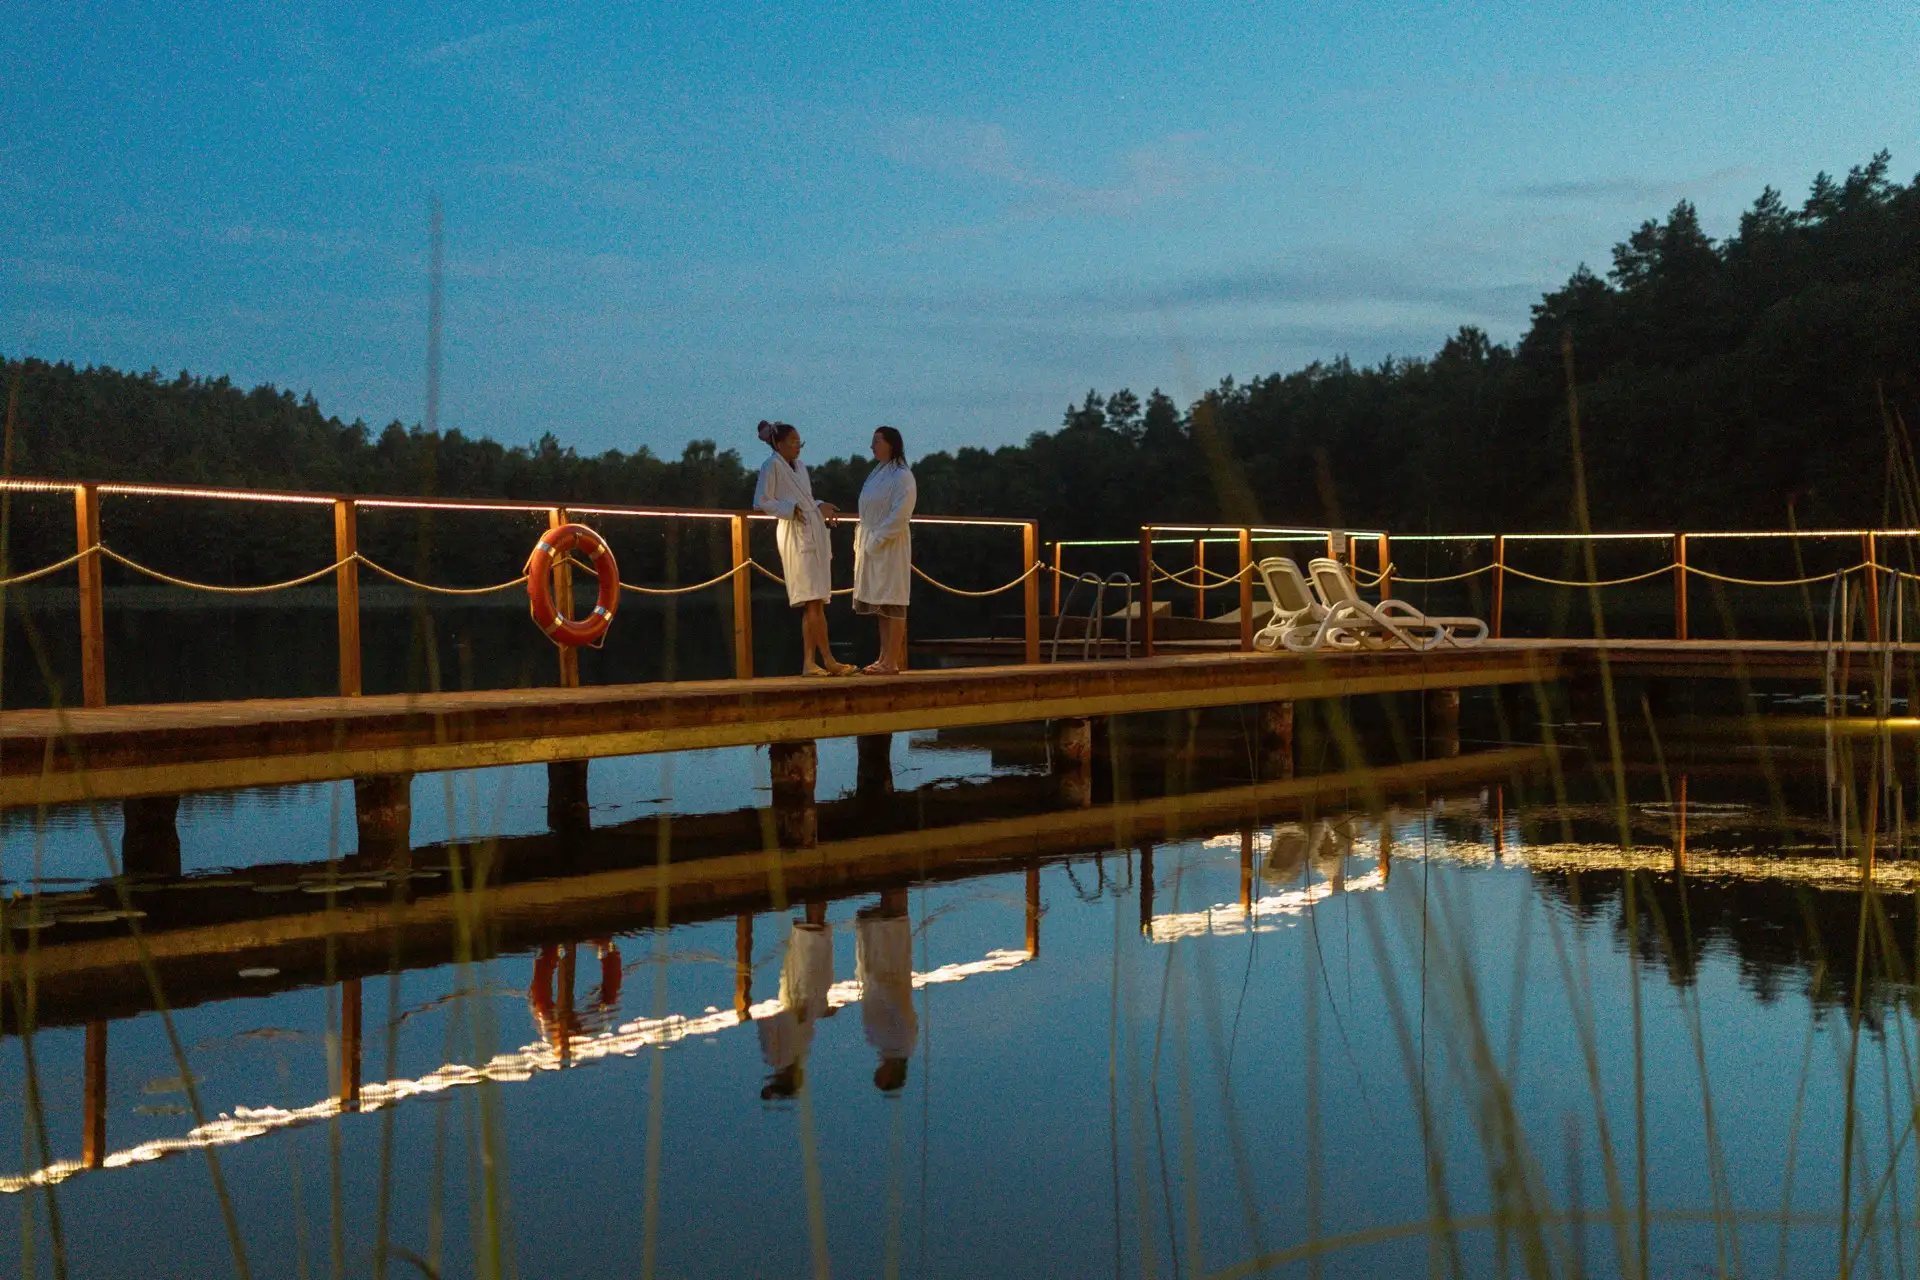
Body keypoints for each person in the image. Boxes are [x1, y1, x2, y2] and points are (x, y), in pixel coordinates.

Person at [753, 421, 855, 676]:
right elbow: (761, 501)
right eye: (793, 442)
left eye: (800, 442)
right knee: (813, 600)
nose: (798, 447)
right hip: (795, 534)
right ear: (779, 444)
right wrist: (790, 509)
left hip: (812, 531)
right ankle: (829, 660)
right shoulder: (771, 466)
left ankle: (810, 662)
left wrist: (818, 506)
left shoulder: (800, 467)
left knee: (816, 601)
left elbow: (805, 499)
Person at [851, 426, 916, 675]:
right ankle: (883, 657)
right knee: (881, 603)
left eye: (877, 441)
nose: (872, 446)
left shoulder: (902, 475)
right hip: (873, 542)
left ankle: (891, 661)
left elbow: (901, 513)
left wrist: (878, 538)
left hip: (890, 544)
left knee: (894, 600)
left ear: (891, 444)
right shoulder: (878, 472)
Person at [757, 901, 836, 1099]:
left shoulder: (784, 1056)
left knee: (810, 952)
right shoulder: (790, 1056)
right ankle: (815, 906)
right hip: (804, 998)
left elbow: (767, 1021)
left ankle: (815, 906)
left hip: (800, 998)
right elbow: (767, 1022)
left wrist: (797, 1015)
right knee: (812, 951)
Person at [854, 888, 917, 1093]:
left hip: (881, 976)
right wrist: (879, 985)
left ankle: (891, 892)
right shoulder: (899, 1042)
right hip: (886, 974)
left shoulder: (891, 1045)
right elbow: (896, 1007)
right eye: (882, 1076)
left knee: (889, 924)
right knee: (891, 923)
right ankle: (895, 889)